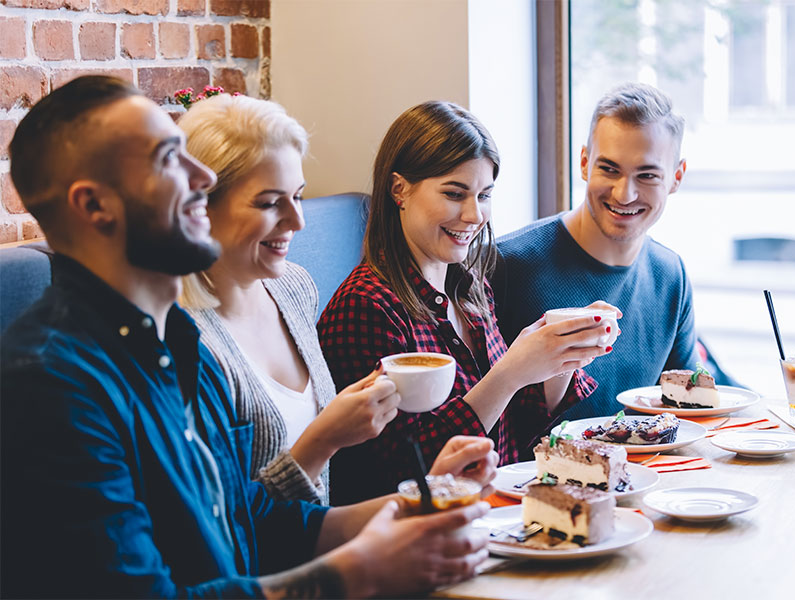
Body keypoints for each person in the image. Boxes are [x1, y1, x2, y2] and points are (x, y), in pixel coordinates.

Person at [0, 75, 493, 598]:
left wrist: (415, 505)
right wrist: (360, 571)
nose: (201, 176)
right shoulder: (51, 383)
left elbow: (250, 521)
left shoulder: (179, 346)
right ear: (94, 206)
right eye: (169, 158)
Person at [318, 101, 613, 505]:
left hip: (496, 513)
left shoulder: (470, 290)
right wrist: (509, 374)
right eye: (455, 194)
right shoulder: (366, 306)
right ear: (399, 189)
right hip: (422, 533)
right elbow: (402, 472)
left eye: (484, 195)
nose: (475, 215)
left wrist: (562, 356)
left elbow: (509, 431)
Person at [176, 93, 404, 504]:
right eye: (269, 203)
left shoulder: (295, 288)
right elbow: (225, 526)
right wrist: (324, 439)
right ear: (199, 207)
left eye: (297, 196)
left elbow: (322, 506)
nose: (297, 222)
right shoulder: (182, 340)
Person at [492, 82, 735, 420]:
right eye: (609, 169)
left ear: (676, 177)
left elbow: (691, 408)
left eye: (647, 175)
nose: (624, 194)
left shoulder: (670, 274)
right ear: (583, 163)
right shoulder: (507, 264)